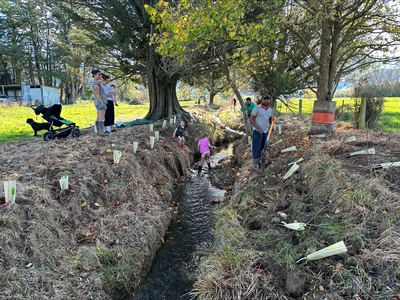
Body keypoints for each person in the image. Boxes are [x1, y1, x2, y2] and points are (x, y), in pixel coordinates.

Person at [249, 94, 274, 171]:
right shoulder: (257, 108)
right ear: (262, 100)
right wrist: (258, 128)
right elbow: (251, 119)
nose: (266, 100)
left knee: (263, 146)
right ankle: (255, 163)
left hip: (266, 131)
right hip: (257, 131)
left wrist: (272, 120)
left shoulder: (270, 110)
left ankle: (262, 161)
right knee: (256, 147)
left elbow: (270, 119)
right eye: (264, 99)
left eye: (267, 99)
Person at [90, 69, 107, 136]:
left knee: (98, 117)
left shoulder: (95, 82)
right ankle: (101, 132)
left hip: (98, 101)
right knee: (101, 117)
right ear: (94, 75)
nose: (100, 76)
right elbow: (97, 94)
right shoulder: (95, 83)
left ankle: (98, 131)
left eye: (101, 74)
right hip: (100, 101)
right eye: (99, 74)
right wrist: (102, 102)